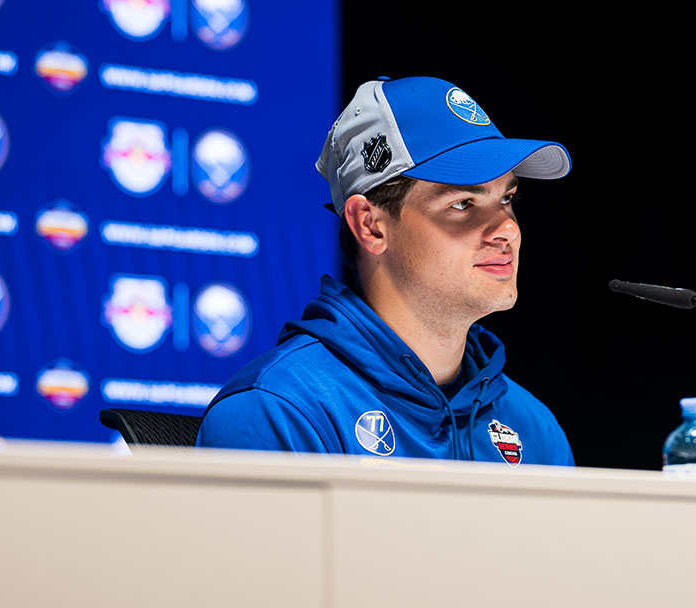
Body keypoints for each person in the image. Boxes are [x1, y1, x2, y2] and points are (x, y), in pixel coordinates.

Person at [196, 76, 575, 466]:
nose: (508, 229)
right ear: (370, 225)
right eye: (463, 204)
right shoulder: (280, 411)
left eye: (507, 199)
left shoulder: (534, 428)